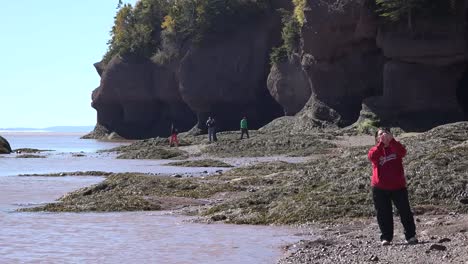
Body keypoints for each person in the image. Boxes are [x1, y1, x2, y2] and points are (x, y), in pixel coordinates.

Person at [368, 128, 418, 246]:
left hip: (398, 186)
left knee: (405, 212)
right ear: (376, 138)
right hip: (379, 187)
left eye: (386, 134)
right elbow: (372, 157)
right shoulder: (375, 149)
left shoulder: (395, 147)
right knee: (383, 213)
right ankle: (386, 237)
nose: (383, 136)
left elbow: (403, 152)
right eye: (380, 134)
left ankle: (410, 236)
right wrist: (381, 144)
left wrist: (392, 141)